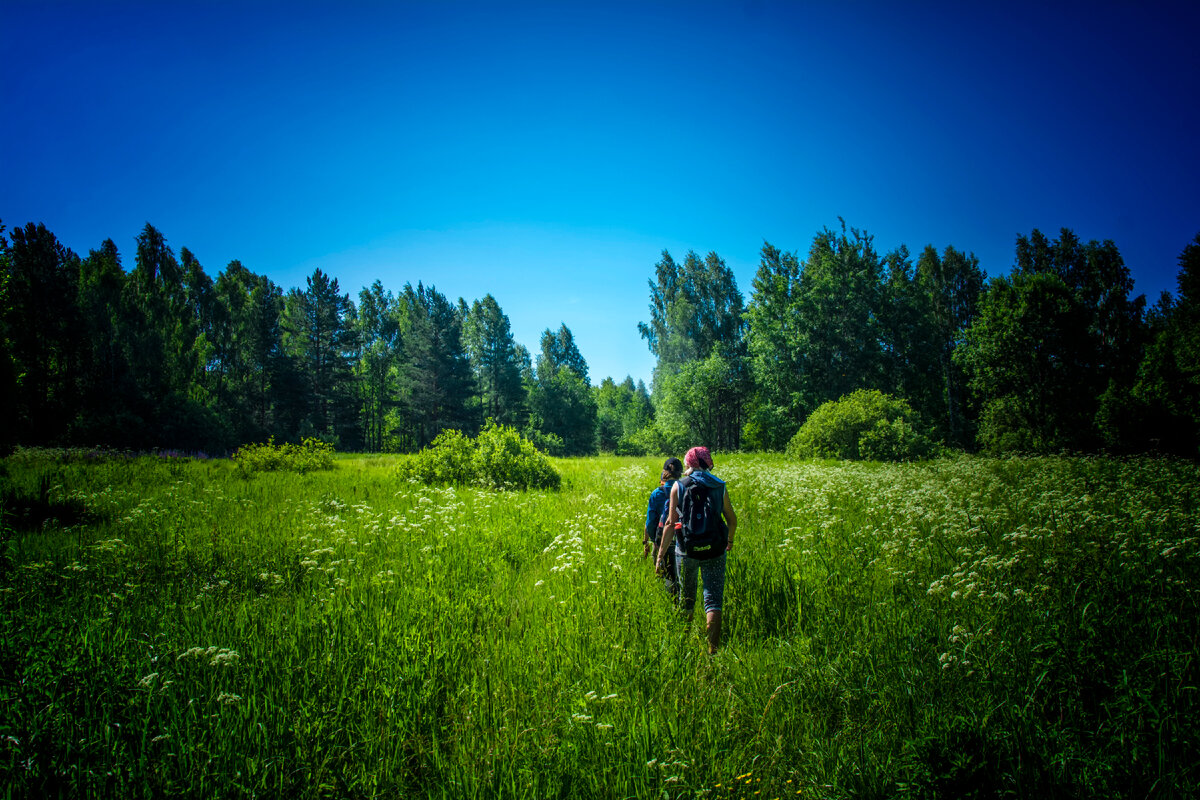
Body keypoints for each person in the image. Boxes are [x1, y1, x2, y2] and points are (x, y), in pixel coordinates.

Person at [656, 446, 737, 654]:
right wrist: (729, 541)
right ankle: (712, 651)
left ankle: (685, 646)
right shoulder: (719, 485)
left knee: (687, 598)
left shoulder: (678, 486)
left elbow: (670, 524)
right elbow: (732, 519)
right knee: (713, 600)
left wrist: (660, 555)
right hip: (716, 550)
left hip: (686, 551)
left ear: (689, 463)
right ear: (707, 462)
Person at [644, 457, 683, 595]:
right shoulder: (686, 489)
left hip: (661, 540)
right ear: (681, 472)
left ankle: (670, 602)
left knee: (666, 574)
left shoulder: (657, 493)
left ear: (664, 472)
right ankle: (682, 602)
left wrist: (653, 540)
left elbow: (650, 522)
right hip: (682, 540)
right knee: (681, 576)